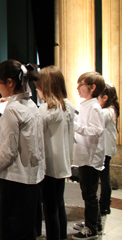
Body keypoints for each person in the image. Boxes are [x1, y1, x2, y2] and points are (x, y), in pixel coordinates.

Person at [0, 59, 45, 240]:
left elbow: (7, 153)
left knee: (10, 233)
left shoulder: (13, 110)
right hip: (31, 180)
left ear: (10, 82)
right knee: (26, 232)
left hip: (12, 181)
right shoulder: (32, 106)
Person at [34, 66, 75, 240]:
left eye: (38, 86)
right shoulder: (69, 105)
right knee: (59, 205)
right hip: (63, 162)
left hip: (49, 165)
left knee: (50, 209)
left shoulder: (45, 110)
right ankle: (61, 236)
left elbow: (36, 138)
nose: (36, 89)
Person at [71, 72, 106, 239]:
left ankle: (91, 228)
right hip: (85, 153)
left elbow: (97, 130)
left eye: (81, 84)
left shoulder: (93, 106)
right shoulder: (87, 104)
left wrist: (75, 126)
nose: (78, 88)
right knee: (88, 193)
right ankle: (95, 223)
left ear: (93, 88)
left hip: (91, 157)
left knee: (90, 194)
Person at [98, 83, 119, 216]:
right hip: (107, 148)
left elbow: (96, 126)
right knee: (105, 178)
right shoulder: (112, 109)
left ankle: (104, 205)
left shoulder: (106, 112)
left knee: (104, 178)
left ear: (105, 97)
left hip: (104, 149)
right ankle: (106, 204)